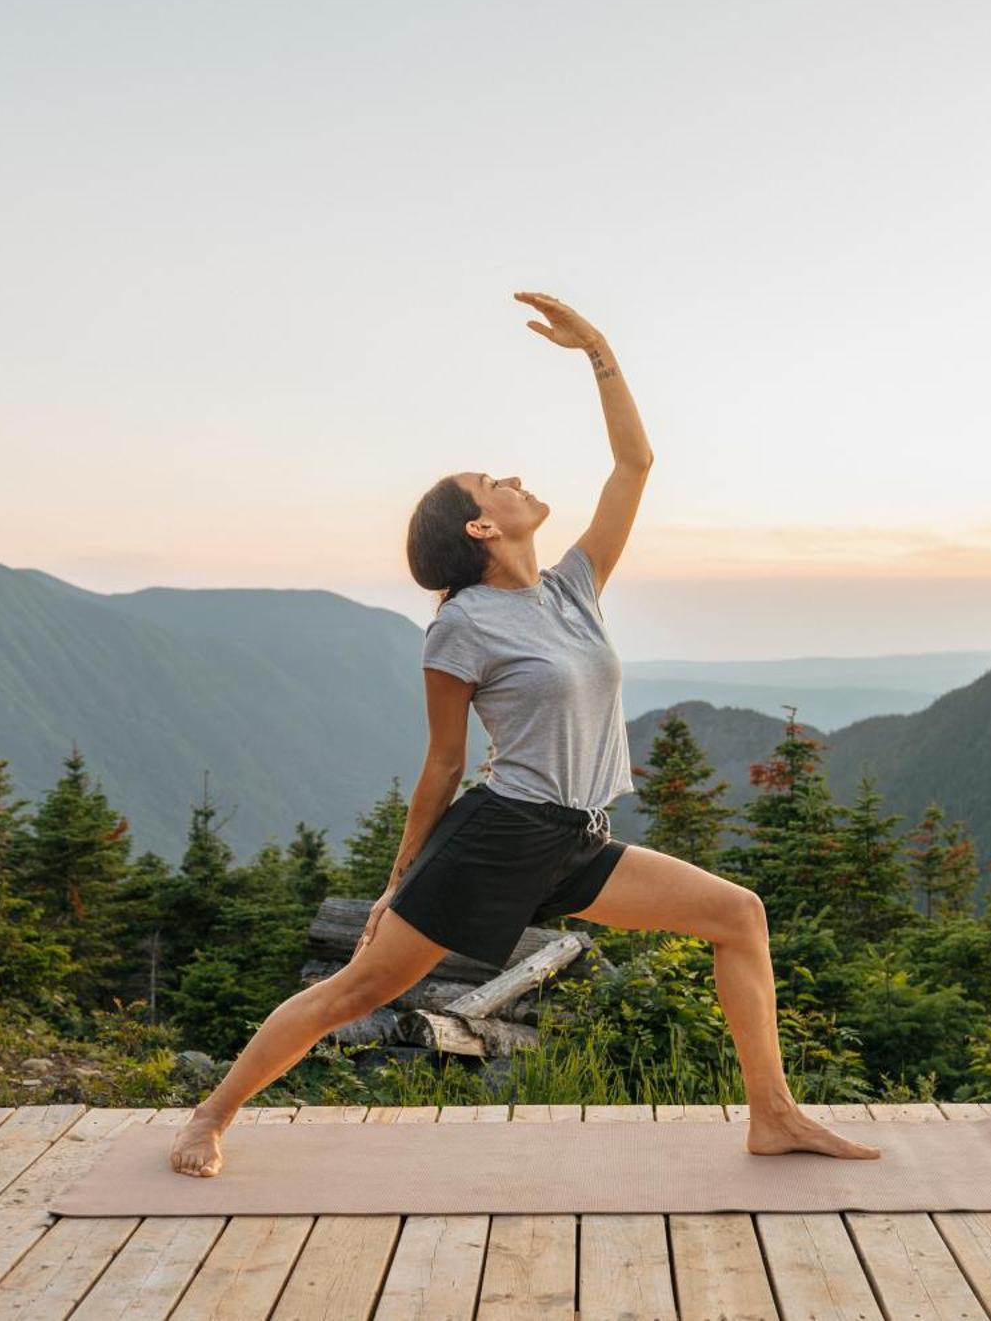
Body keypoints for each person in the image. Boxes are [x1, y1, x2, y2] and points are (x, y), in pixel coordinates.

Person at [170, 291, 879, 1177]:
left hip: (579, 837)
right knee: (352, 990)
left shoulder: (573, 587)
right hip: (500, 837)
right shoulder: (461, 624)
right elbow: (443, 764)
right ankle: (209, 1117)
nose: (510, 477)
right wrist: (399, 883)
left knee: (740, 915)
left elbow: (635, 463)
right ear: (482, 526)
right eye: (490, 482)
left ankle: (771, 1114)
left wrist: (599, 350)